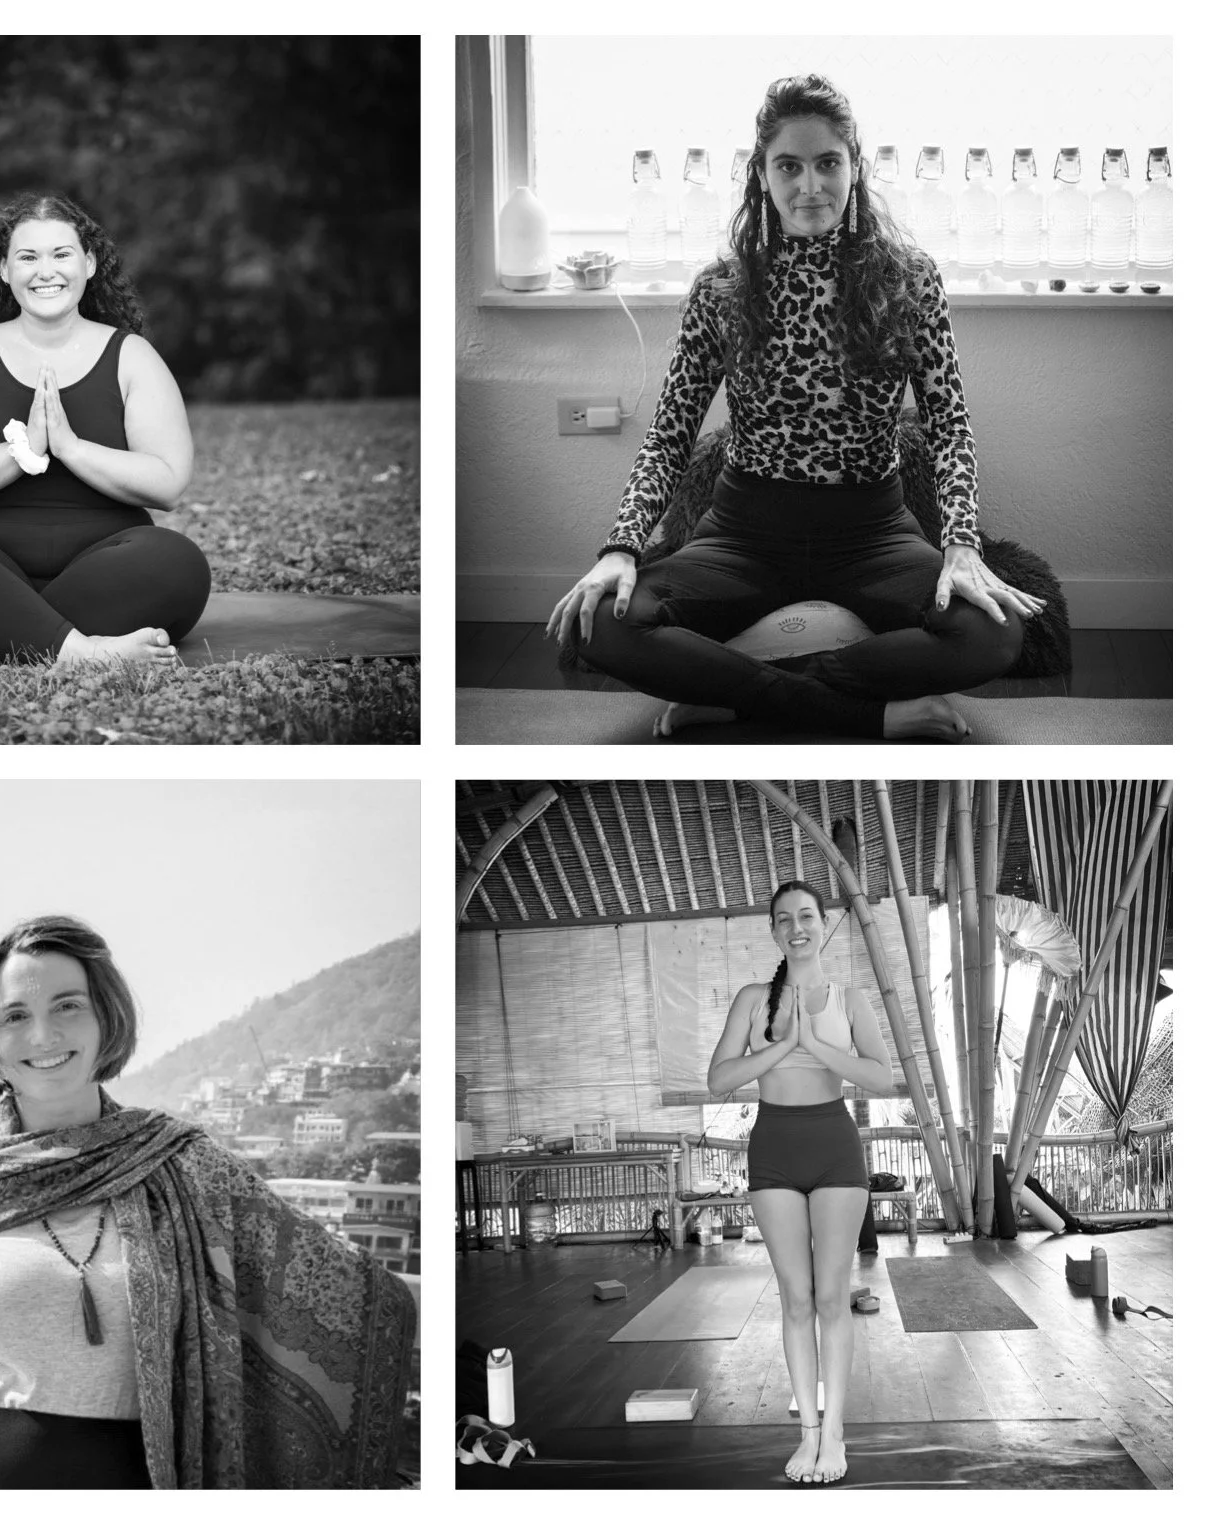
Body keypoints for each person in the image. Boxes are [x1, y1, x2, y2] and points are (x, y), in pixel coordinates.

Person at [545, 75, 1045, 741]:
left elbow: (949, 423)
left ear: (855, 169)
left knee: (994, 634)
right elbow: (669, 436)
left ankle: (731, 694)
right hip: (744, 532)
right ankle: (869, 714)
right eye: (789, 166)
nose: (810, 186)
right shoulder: (719, 289)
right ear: (762, 176)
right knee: (605, 621)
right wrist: (620, 548)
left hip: (872, 532)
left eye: (827, 164)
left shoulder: (912, 280)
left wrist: (959, 545)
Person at [0, 916, 414, 1489]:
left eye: (68, 1006)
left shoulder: (183, 1165)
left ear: (106, 1019)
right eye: (15, 1016)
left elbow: (341, 1295)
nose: (43, 1035)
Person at [0, 193, 210, 667]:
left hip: (107, 566)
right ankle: (83, 652)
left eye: (61, 254)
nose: (45, 271)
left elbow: (168, 483)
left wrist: (69, 447)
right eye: (28, 257)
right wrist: (24, 451)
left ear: (89, 264)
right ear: (5, 271)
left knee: (178, 562)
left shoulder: (131, 356)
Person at [707, 881, 893, 1485]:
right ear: (774, 930)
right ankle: (807, 1433)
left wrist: (814, 1044)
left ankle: (834, 1432)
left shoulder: (849, 996)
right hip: (775, 1149)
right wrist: (784, 1044)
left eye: (807, 916)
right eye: (784, 919)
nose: (797, 927)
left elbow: (881, 1077)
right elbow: (720, 1079)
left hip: (834, 1146)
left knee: (833, 1297)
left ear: (821, 923)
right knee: (795, 1298)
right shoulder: (753, 998)